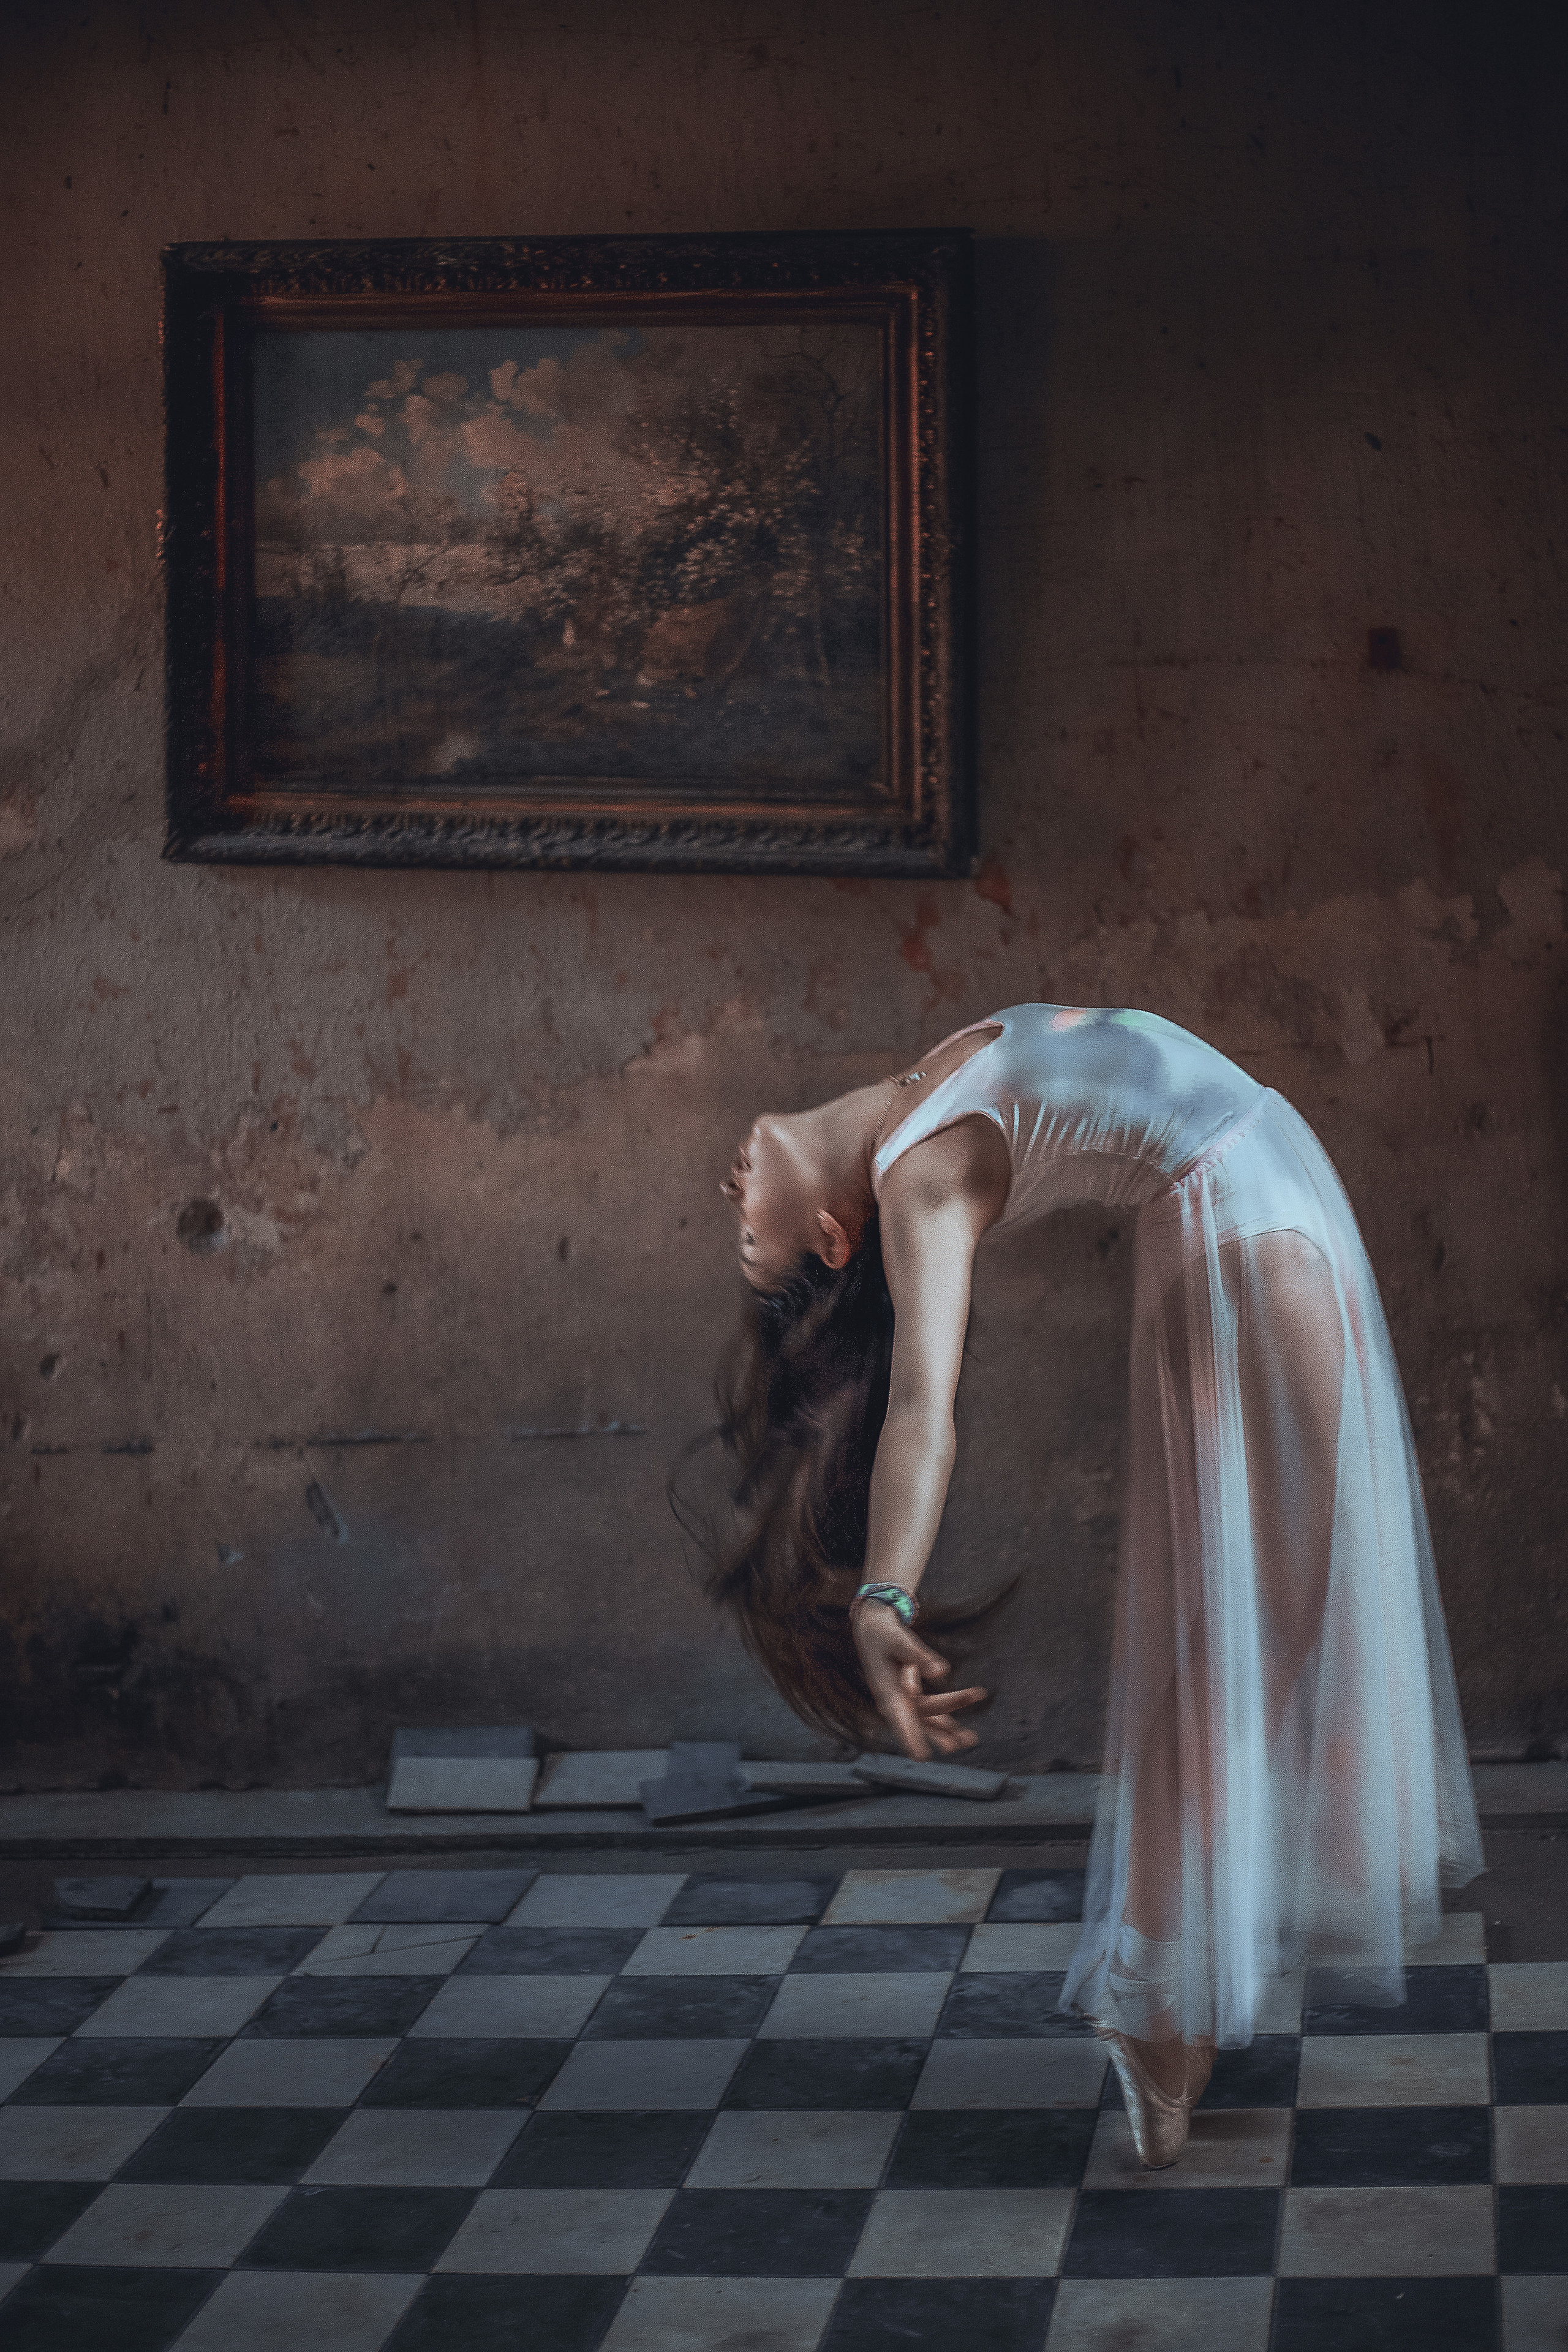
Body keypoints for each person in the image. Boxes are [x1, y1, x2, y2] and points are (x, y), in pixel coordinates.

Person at [697, 1002, 1484, 2168]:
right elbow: (924, 1407)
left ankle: (1163, 1987)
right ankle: (1156, 1988)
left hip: (1239, 1204)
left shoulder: (921, 1092)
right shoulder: (918, 1180)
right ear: (832, 1236)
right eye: (751, 1245)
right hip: (1246, 1216)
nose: (727, 1207)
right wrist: (886, 1595)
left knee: (1270, 1616)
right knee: (1285, 1613)